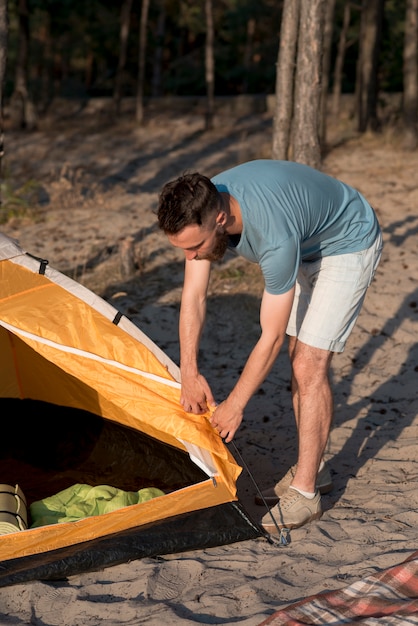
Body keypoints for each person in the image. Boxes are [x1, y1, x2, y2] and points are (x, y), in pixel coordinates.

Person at [156, 159, 382, 533]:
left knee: (308, 365)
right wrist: (189, 373)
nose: (192, 257)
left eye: (195, 247)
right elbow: (193, 297)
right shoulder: (202, 203)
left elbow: (270, 335)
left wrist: (235, 405)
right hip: (304, 243)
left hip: (347, 243)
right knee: (299, 360)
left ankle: (307, 491)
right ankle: (316, 467)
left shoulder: (272, 235)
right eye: (183, 249)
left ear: (220, 220)